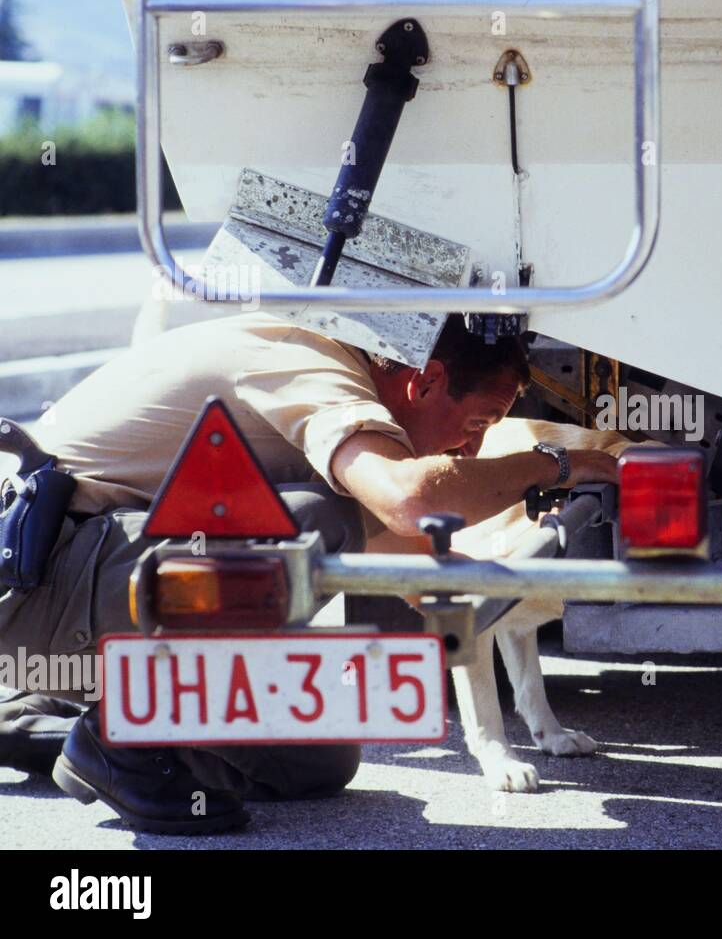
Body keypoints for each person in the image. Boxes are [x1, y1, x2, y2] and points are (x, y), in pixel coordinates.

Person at [0, 311, 618, 833]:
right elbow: (410, 499)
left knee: (319, 758)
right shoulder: (308, 363)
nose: (472, 449)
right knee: (311, 518)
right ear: (425, 382)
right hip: (41, 576)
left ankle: (38, 714)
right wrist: (557, 465)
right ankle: (122, 743)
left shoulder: (338, 400)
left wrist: (515, 578)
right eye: (478, 422)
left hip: (79, 588)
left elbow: (429, 575)